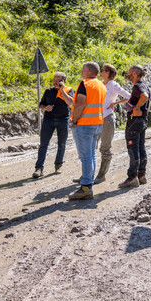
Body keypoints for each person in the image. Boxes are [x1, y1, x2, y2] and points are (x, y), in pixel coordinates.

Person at [68, 62, 107, 200]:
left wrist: (74, 121)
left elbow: (79, 104)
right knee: (91, 155)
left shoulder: (85, 84)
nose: (81, 71)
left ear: (89, 71)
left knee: (85, 157)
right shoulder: (101, 85)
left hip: (84, 124)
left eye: (83, 69)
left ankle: (85, 187)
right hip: (97, 123)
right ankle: (88, 183)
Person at [94, 63, 130, 184]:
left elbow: (129, 96)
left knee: (105, 148)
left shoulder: (113, 85)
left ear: (108, 72)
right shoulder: (99, 84)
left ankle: (101, 175)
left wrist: (115, 103)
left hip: (107, 119)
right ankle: (88, 174)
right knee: (91, 147)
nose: (100, 72)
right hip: (96, 118)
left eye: (103, 70)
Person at [33, 72, 74, 178]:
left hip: (63, 120)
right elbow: (41, 105)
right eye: (54, 80)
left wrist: (62, 90)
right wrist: (45, 108)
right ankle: (39, 168)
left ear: (63, 81)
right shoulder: (48, 91)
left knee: (61, 144)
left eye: (58, 80)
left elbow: (70, 103)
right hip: (48, 120)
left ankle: (58, 165)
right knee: (43, 144)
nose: (55, 82)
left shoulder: (68, 90)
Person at [118, 65, 151, 189]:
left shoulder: (138, 86)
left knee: (133, 149)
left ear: (134, 74)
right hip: (141, 121)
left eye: (130, 72)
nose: (128, 74)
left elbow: (145, 97)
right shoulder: (145, 85)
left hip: (134, 122)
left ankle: (132, 177)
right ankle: (141, 174)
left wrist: (136, 108)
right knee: (141, 148)